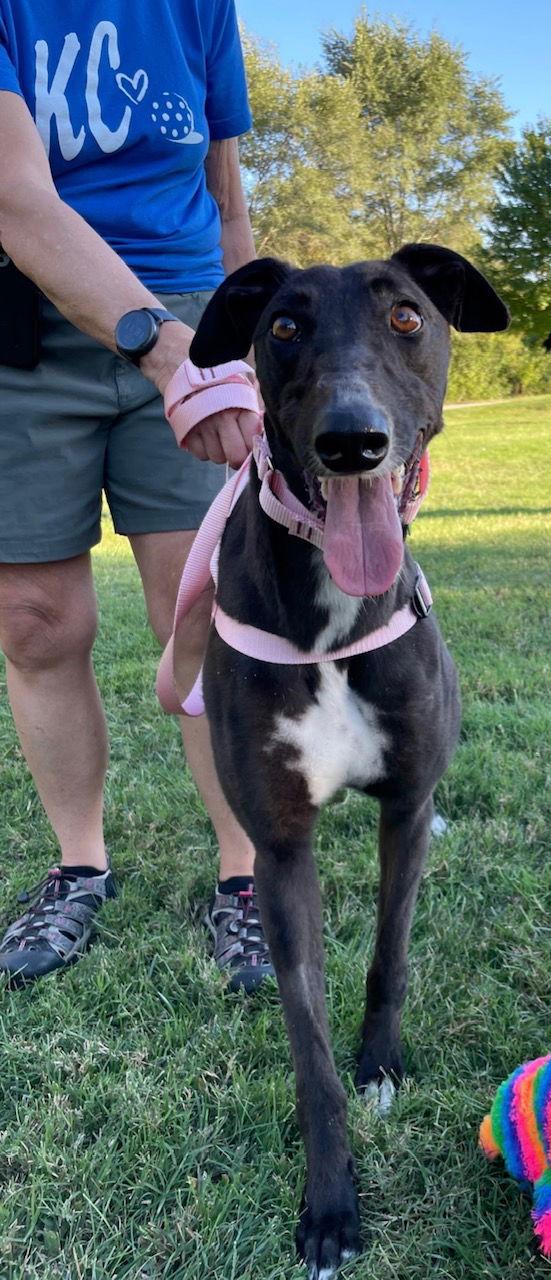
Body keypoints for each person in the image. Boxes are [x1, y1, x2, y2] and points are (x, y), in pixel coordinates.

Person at [0, 1, 272, 991]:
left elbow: (226, 190)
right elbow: (14, 196)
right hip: (26, 323)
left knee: (210, 609)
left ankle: (245, 874)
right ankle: (80, 863)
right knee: (34, 617)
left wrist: (251, 353)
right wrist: (165, 354)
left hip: (194, 314)